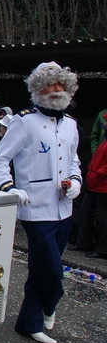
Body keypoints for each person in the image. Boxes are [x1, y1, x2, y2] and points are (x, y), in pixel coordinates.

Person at [0, 61, 82, 343]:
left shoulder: (72, 125)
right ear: (38, 89)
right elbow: (0, 160)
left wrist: (76, 181)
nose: (55, 90)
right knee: (53, 271)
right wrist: (10, 188)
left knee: (40, 270)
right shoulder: (24, 121)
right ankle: (49, 305)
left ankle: (28, 323)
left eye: (60, 85)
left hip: (63, 209)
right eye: (50, 85)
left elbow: (74, 160)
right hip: (35, 209)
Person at [68, 111, 107, 259]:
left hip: (103, 186)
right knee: (84, 213)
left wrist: (98, 173)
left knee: (104, 219)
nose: (105, 125)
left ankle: (103, 249)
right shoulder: (104, 140)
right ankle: (83, 242)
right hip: (94, 184)